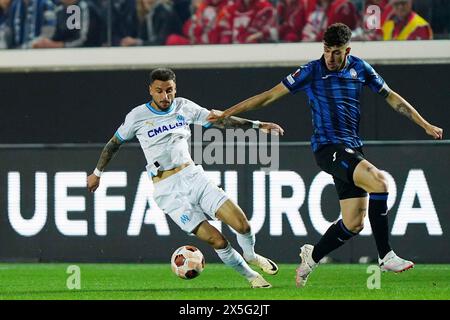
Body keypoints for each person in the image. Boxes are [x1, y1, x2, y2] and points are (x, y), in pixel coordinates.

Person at [207, 23, 443, 287]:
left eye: (337, 52)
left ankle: (312, 257)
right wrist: (225, 114)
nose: (330, 58)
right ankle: (385, 254)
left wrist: (425, 124)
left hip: (352, 147)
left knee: (354, 223)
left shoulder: (361, 68)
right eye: (327, 51)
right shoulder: (310, 71)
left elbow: (392, 98)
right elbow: (267, 97)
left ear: (347, 50)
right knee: (380, 182)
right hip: (328, 148)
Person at [86, 68, 284, 288]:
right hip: (168, 190)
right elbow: (114, 143)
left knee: (243, 225)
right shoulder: (137, 116)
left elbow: (220, 121)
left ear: (175, 88)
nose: (165, 96)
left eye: (169, 90)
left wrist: (258, 125)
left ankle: (251, 255)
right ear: (151, 90)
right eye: (159, 91)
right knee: (217, 240)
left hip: (193, 176)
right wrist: (97, 173)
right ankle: (252, 277)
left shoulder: (184, 106)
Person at [32, 0, 104, 48]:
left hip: (87, 57)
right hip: (62, 56)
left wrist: (57, 45)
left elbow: (84, 40)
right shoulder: (59, 9)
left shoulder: (85, 7)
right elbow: (56, 36)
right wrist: (44, 43)